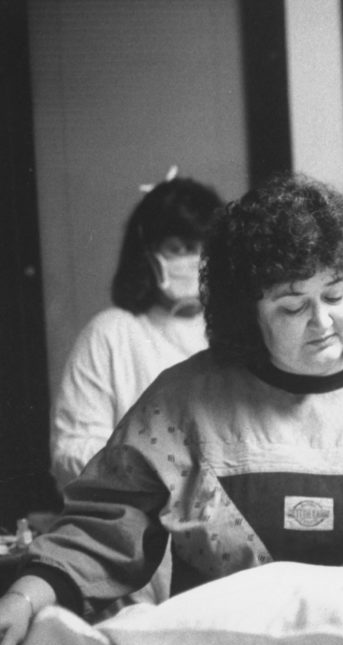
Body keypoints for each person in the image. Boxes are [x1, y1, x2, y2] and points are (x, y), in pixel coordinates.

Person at [0, 174, 343, 645]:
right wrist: (25, 598)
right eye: (292, 306)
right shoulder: (186, 403)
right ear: (248, 313)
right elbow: (102, 529)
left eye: (335, 294)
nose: (322, 322)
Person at [48, 174, 222, 609]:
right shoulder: (111, 335)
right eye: (178, 249)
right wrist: (159, 477)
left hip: (223, 548)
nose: (191, 261)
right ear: (147, 254)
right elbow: (71, 450)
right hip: (135, 551)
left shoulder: (236, 338)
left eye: (201, 247)